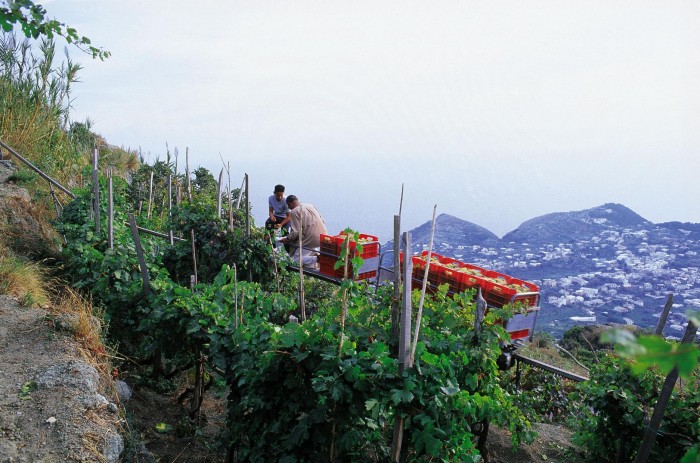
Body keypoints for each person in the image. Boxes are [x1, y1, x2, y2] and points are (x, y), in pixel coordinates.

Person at [281, 195, 328, 268]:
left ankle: (318, 258)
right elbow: (322, 220)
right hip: (323, 236)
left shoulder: (294, 211)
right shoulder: (311, 206)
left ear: (290, 204)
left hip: (311, 239)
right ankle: (315, 261)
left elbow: (296, 232)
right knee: (308, 255)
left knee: (296, 259)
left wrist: (287, 239)